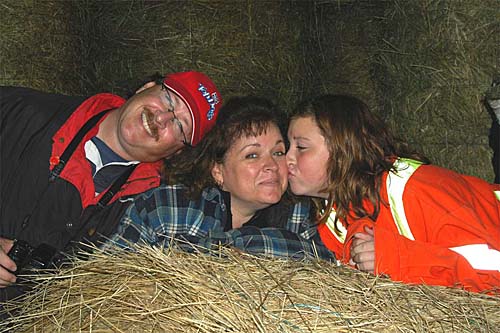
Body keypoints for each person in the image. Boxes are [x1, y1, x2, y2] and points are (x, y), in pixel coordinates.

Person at [0, 71, 222, 298]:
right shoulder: (22, 113)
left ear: (178, 151)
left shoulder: (151, 211)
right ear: (145, 87)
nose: (162, 118)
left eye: (180, 125)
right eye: (168, 100)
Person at [286, 94, 500, 293]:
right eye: (288, 147)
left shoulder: (416, 191)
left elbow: (493, 275)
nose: (287, 159)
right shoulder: (331, 215)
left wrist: (396, 257)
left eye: (301, 147)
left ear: (344, 149)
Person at [106, 96, 335, 261]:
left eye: (278, 152)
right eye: (252, 155)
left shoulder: (301, 216)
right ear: (218, 171)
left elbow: (326, 266)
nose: (272, 166)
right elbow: (105, 276)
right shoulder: (166, 208)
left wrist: (213, 250)